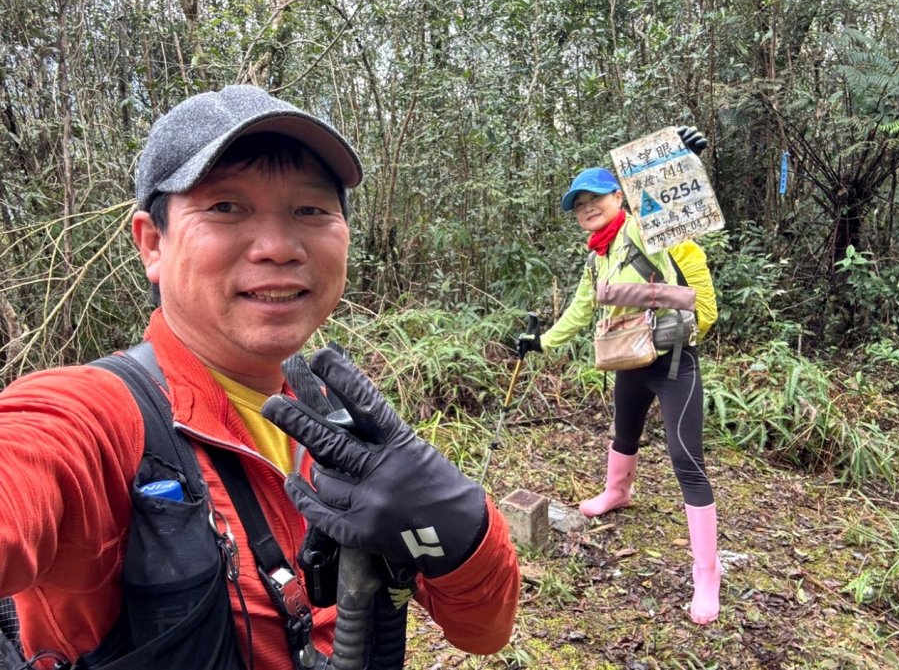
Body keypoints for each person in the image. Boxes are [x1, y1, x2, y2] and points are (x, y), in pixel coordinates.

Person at [0, 85, 519, 669]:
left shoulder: (333, 413)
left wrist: (458, 523)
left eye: (311, 210)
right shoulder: (91, 416)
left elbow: (484, 632)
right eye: (226, 207)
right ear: (151, 243)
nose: (278, 247)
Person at [517, 129, 721, 624]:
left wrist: (683, 161)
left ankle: (707, 574)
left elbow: (670, 209)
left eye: (594, 198)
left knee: (684, 458)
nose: (586, 208)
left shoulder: (644, 231)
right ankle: (617, 492)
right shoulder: (597, 256)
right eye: (578, 204)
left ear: (618, 196)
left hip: (673, 362)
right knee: (623, 433)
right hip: (628, 360)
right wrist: (541, 342)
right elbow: (579, 310)